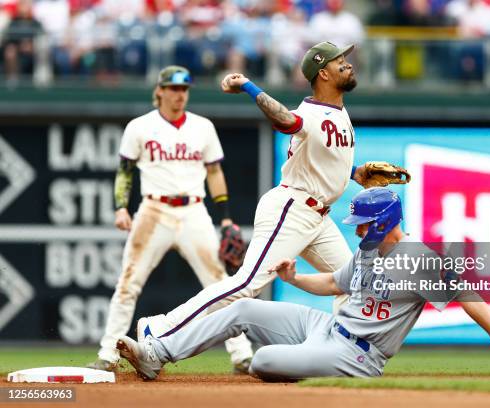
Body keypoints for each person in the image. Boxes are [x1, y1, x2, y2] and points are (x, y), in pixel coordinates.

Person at [116, 188, 490, 381]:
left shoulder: (417, 258)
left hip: (358, 355)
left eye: (362, 223)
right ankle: (158, 352)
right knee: (241, 309)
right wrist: (293, 278)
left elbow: (468, 296)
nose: (357, 229)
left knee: (264, 361)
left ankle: (306, 360)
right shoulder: (368, 250)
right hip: (323, 327)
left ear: (381, 222)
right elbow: (331, 282)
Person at [133, 41, 377, 347]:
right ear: (323, 74)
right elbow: (286, 121)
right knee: (246, 284)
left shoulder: (338, 112)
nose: (348, 64)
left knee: (351, 282)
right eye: (339, 61)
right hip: (293, 208)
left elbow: (322, 156)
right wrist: (249, 86)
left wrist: (357, 174)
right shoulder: (311, 112)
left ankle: (341, 349)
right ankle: (157, 328)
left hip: (319, 218)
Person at [87, 65, 253, 374]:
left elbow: (215, 173)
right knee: (128, 283)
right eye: (174, 88)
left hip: (194, 210)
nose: (180, 95)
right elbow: (125, 171)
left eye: (184, 89)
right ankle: (108, 354)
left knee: (220, 284)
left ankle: (242, 355)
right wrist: (120, 207)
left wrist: (227, 217)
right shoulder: (139, 126)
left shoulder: (202, 127)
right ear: (160, 91)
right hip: (153, 211)